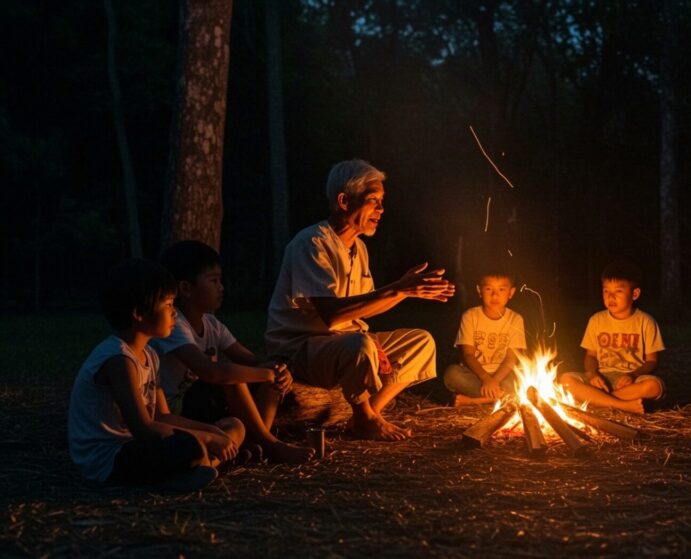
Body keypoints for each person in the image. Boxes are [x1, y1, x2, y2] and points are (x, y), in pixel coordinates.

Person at [265, 159, 455, 441]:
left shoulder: (360, 248)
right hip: (299, 349)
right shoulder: (312, 244)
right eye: (373, 201)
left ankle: (366, 415)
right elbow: (331, 315)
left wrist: (406, 292)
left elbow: (363, 310)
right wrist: (399, 289)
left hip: (342, 343)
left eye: (381, 201)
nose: (381, 209)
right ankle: (365, 417)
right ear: (344, 201)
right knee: (359, 344)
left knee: (421, 342)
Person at [68, 259, 245, 492]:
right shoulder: (118, 359)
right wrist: (207, 440)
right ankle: (200, 466)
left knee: (233, 426)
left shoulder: (150, 354)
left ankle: (202, 469)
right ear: (139, 313)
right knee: (190, 446)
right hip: (111, 457)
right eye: (168, 304)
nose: (174, 313)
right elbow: (143, 428)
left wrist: (212, 432)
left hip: (142, 444)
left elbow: (163, 416)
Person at [151, 241, 314, 464]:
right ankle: (270, 444)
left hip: (208, 404)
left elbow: (252, 360)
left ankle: (251, 440)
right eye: (213, 280)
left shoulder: (211, 324)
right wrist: (265, 373)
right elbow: (210, 372)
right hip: (180, 411)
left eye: (220, 280)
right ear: (186, 288)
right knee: (232, 377)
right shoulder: (174, 324)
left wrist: (277, 370)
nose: (221, 287)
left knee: (267, 374)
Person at [559, 261, 665, 414]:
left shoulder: (646, 321)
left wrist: (633, 375)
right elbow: (590, 356)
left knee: (655, 386)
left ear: (634, 294)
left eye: (618, 292)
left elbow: (652, 361)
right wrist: (592, 374)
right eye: (606, 291)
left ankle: (598, 401)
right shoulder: (596, 320)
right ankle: (621, 404)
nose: (611, 297)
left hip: (630, 381)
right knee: (565, 380)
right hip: (602, 378)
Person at [443, 268, 527, 406]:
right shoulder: (470, 316)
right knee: (452, 374)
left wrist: (495, 381)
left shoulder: (515, 319)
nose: (495, 295)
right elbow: (468, 355)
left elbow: (511, 358)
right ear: (479, 290)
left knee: (521, 380)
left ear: (511, 292)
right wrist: (486, 379)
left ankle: (472, 401)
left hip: (503, 375)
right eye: (489, 289)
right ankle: (502, 398)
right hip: (476, 375)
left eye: (501, 290)